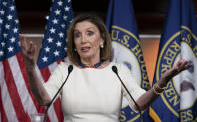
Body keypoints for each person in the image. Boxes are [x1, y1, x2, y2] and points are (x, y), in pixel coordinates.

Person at [20, 14, 193, 122]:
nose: (83, 40)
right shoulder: (65, 70)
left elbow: (140, 103)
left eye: (89, 33)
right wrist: (30, 67)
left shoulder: (117, 71)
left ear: (102, 40)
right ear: (73, 43)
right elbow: (44, 98)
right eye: (77, 35)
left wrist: (164, 80)